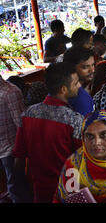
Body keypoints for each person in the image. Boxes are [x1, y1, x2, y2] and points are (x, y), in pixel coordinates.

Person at [13, 62, 84, 203]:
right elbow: (81, 161)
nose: (79, 86)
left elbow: (19, 157)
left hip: (38, 188)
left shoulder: (28, 113)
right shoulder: (75, 120)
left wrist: (21, 187)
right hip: (67, 188)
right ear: (63, 89)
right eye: (76, 83)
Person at [0, 76, 29, 203]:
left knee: (16, 188)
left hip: (10, 150)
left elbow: (20, 125)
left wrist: (21, 155)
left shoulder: (10, 92)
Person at [63, 46, 95, 116]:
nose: (92, 70)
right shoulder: (81, 98)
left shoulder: (58, 89)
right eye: (85, 67)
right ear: (71, 68)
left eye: (93, 65)